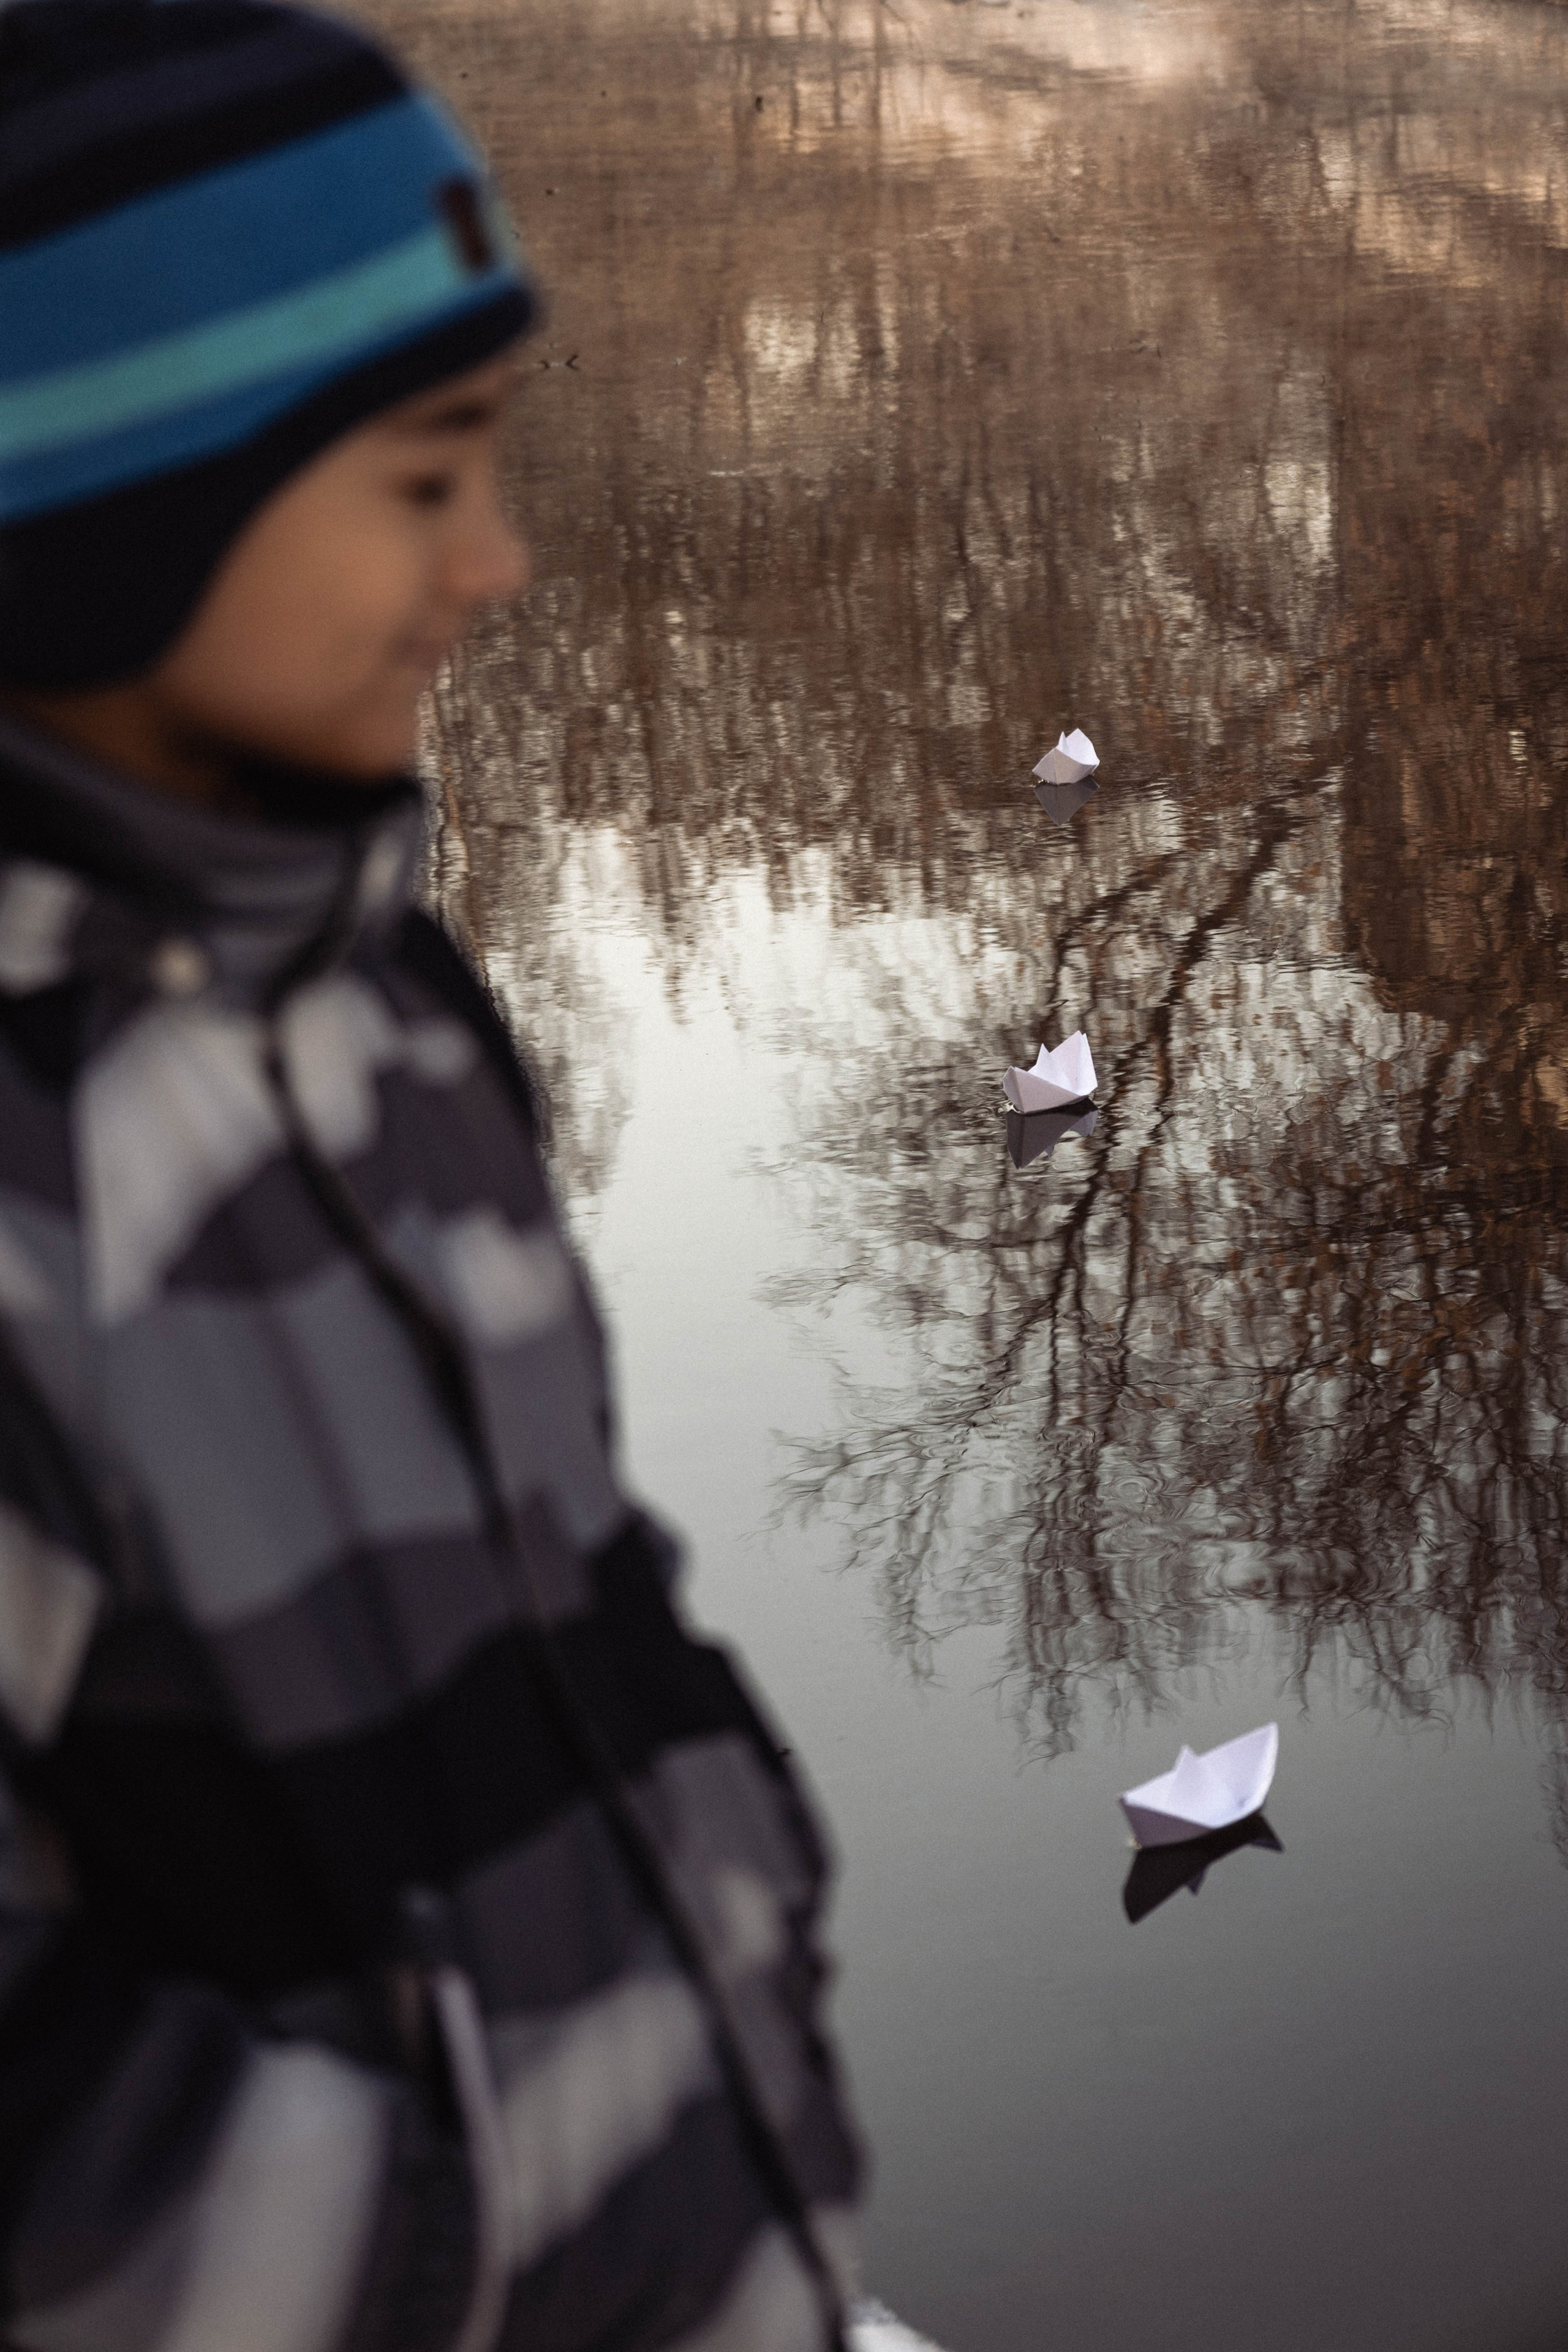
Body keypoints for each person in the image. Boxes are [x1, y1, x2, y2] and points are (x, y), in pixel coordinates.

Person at [0, 5, 864, 2348]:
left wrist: (744, 1960)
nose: (499, 560)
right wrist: (475, 2257)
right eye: (422, 475)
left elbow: (565, 1580)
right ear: (117, 500)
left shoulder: (383, 998)